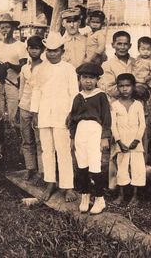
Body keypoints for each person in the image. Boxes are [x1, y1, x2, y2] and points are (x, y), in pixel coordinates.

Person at [30, 31, 79, 202]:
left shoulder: (69, 69)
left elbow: (74, 93)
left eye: (55, 50)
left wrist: (71, 113)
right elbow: (36, 91)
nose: (52, 53)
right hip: (44, 113)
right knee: (47, 150)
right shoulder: (39, 69)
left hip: (62, 114)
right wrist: (35, 113)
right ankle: (50, 182)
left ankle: (67, 186)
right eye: (49, 50)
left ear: (62, 51)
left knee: (63, 150)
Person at [68, 62, 111, 214]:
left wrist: (104, 137)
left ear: (97, 79)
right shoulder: (78, 97)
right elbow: (73, 119)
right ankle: (85, 196)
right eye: (84, 78)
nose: (88, 81)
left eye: (91, 78)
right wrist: (72, 138)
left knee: (94, 164)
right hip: (81, 131)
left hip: (94, 130)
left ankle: (100, 198)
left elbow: (106, 118)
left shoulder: (100, 96)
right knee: (82, 164)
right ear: (79, 79)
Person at [0, 13, 28, 152]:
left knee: (14, 115)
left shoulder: (20, 46)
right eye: (2, 27)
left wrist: (10, 65)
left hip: (14, 83)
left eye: (7, 27)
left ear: (13, 28)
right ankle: (0, 142)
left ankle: (22, 143)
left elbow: (24, 68)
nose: (5, 30)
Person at [111, 73, 146, 206]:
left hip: (135, 143)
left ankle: (135, 196)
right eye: (121, 86)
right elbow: (113, 125)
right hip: (122, 143)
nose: (125, 89)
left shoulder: (138, 105)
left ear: (133, 87)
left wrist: (137, 140)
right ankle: (121, 196)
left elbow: (142, 124)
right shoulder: (115, 105)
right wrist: (119, 141)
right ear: (117, 88)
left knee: (137, 169)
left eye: (128, 86)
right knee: (122, 168)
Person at [18, 35, 45, 182]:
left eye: (37, 48)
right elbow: (21, 89)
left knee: (40, 141)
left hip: (40, 110)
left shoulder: (46, 67)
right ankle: (30, 168)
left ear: (42, 50)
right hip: (24, 107)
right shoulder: (24, 68)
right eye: (31, 48)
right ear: (27, 49)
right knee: (26, 139)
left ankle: (42, 172)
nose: (34, 51)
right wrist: (19, 106)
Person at [99, 31, 136, 99]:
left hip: (136, 103)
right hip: (116, 104)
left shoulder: (136, 62)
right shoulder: (107, 65)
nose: (122, 47)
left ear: (130, 46)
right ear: (113, 45)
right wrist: (135, 90)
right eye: (119, 44)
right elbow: (109, 89)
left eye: (125, 44)